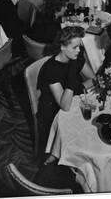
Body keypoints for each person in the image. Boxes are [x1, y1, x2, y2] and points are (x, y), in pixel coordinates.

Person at [36, 26, 92, 154]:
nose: (79, 50)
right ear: (62, 47)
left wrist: (79, 88)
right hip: (52, 113)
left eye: (79, 46)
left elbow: (92, 79)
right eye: (74, 47)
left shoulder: (75, 56)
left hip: (71, 100)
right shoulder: (51, 69)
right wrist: (72, 77)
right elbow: (65, 106)